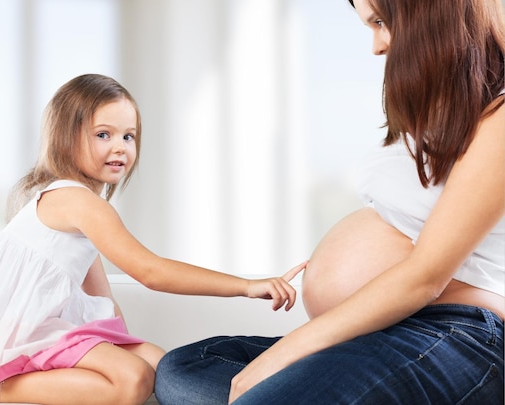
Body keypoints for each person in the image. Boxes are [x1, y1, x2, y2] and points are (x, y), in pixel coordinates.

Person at [154, 0, 505, 403]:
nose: (376, 46)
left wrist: (285, 353)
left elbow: (425, 277)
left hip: (451, 330)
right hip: (379, 331)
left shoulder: (500, 116)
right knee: (189, 367)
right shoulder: (437, 116)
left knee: (261, 392)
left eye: (380, 22)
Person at [0, 73, 302, 405]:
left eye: (129, 136)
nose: (120, 147)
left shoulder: (80, 206)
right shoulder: (74, 200)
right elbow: (151, 272)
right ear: (65, 137)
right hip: (20, 331)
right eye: (103, 134)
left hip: (45, 324)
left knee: (161, 362)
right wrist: (248, 286)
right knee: (133, 380)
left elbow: (100, 295)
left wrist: (120, 344)